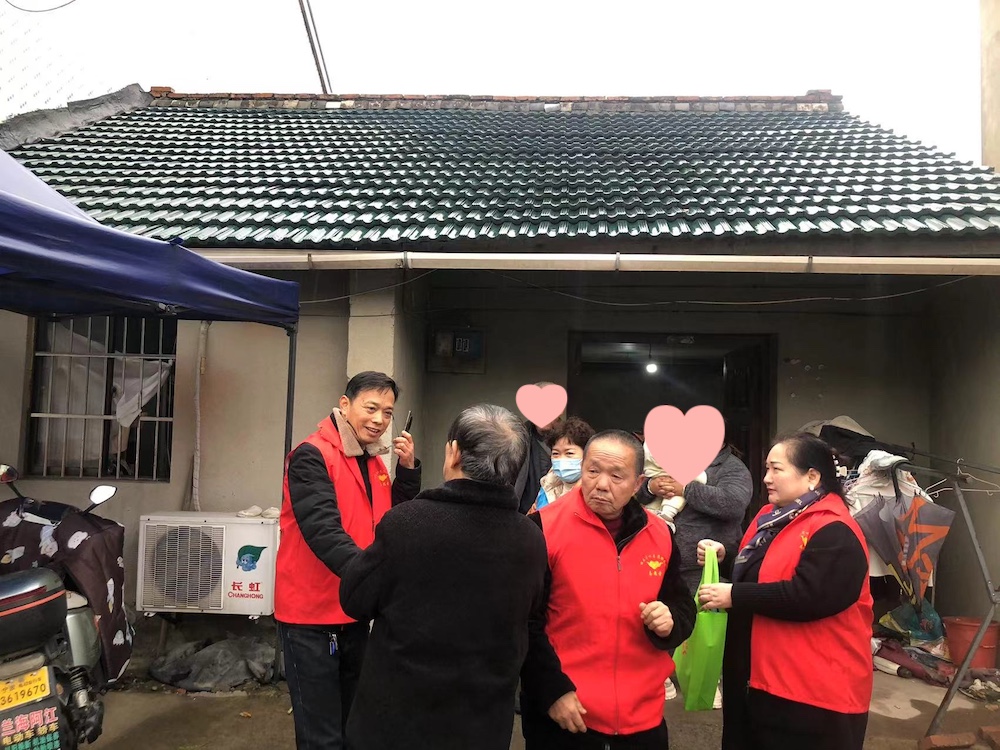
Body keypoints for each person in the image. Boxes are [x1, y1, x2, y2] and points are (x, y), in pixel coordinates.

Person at [339, 404, 547, 750]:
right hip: (482, 726)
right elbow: (532, 616)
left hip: (396, 724)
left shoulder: (406, 523)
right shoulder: (530, 539)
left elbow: (355, 600)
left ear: (454, 453)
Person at [520, 430, 697, 750]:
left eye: (616, 476)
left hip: (642, 718)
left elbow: (682, 604)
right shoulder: (542, 528)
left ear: (638, 483)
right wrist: (552, 690)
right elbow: (523, 622)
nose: (601, 484)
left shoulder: (659, 534)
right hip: (567, 715)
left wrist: (670, 619)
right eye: (593, 471)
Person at [274, 371, 422, 750]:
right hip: (311, 617)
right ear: (345, 404)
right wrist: (369, 579)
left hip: (353, 612)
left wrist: (408, 472)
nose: (379, 420)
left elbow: (392, 522)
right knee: (321, 736)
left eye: (388, 413)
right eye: (371, 408)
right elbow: (322, 530)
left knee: (355, 728)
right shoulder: (312, 455)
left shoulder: (372, 461)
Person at [697, 432, 873, 750]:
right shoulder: (771, 517)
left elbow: (810, 596)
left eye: (776, 469)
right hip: (757, 679)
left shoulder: (834, 530)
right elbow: (761, 567)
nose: (766, 478)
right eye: (767, 468)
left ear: (812, 477)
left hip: (810, 692)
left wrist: (734, 595)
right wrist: (725, 555)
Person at [637, 433, 753, 705]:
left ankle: (707, 679)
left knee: (703, 622)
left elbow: (733, 503)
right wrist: (651, 486)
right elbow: (634, 489)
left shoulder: (731, 467)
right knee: (657, 615)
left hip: (702, 562)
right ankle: (660, 676)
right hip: (656, 558)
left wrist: (686, 489)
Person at [532, 416, 595, 511]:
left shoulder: (594, 493)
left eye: (569, 453)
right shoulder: (547, 485)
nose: (561, 459)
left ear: (587, 455)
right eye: (555, 453)